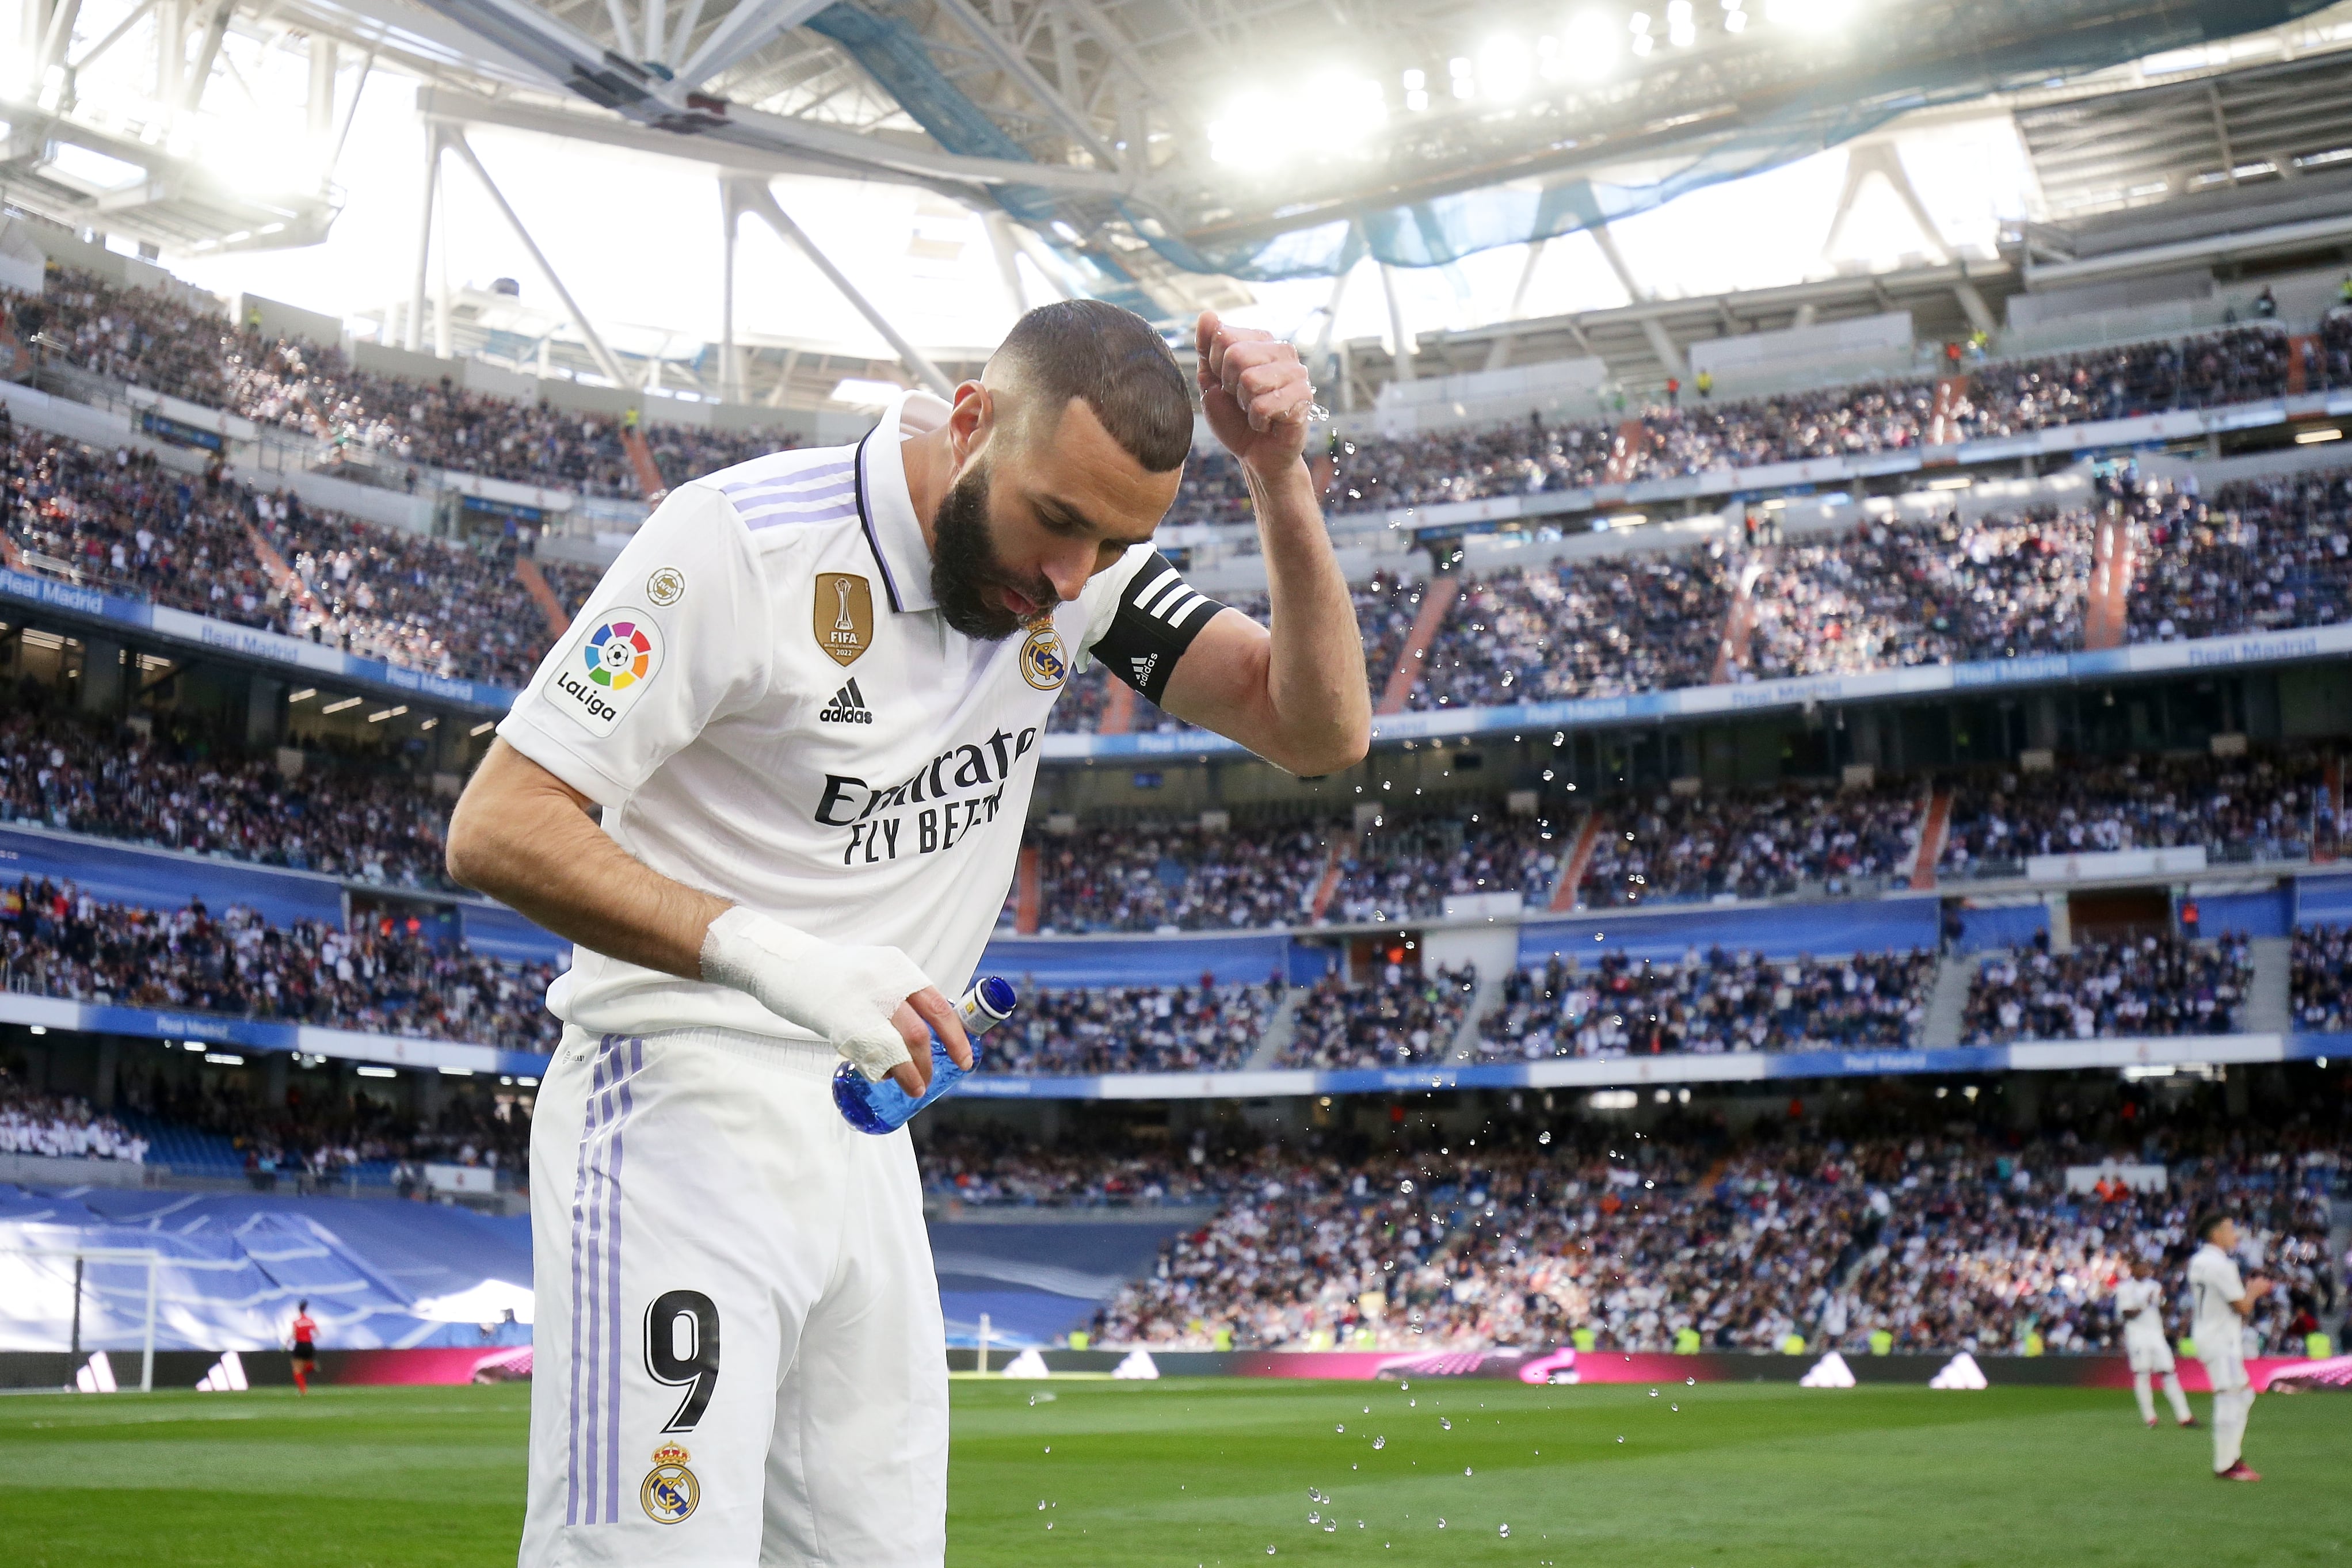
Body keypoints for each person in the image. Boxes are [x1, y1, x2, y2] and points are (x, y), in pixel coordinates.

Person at [446, 300, 1369, 1566]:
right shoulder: (735, 544)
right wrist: (785, 962)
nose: (1068, 579)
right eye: (1057, 520)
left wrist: (1277, 476)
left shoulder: (1083, 580)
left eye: (1113, 543)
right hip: (674, 1118)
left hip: (869, 1144)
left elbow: (1314, 729)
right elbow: (498, 824)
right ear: (972, 421)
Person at [2187, 1211, 2270, 1481]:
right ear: (2216, 1234)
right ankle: (2226, 1464)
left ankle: (2231, 1457)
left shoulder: (2198, 1261)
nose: (2235, 1235)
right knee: (2229, 1395)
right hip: (2221, 1339)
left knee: (2243, 1394)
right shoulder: (2221, 1265)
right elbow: (2243, 1307)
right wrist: (2255, 1290)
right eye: (2230, 1229)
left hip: (2208, 1334)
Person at [2113, 1258, 2193, 1429]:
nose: (2145, 1270)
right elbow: (2126, 1314)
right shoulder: (2124, 1288)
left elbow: (2165, 1309)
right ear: (2132, 1269)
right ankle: (2150, 1417)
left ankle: (2184, 1416)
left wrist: (2164, 1301)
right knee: (2142, 1374)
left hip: (2156, 1335)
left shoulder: (2155, 1286)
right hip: (2137, 1337)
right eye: (2141, 1266)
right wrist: (2145, 1303)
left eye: (2147, 1267)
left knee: (2169, 1372)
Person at [288, 1299, 318, 1396]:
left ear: (299, 1310)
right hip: (309, 1345)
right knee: (305, 1367)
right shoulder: (310, 1321)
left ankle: (303, 1391)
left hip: (300, 1345)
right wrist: (310, 1339)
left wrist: (288, 1341)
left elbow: (293, 1335)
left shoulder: (296, 1322)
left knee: (297, 1368)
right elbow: (318, 1334)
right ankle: (311, 1366)